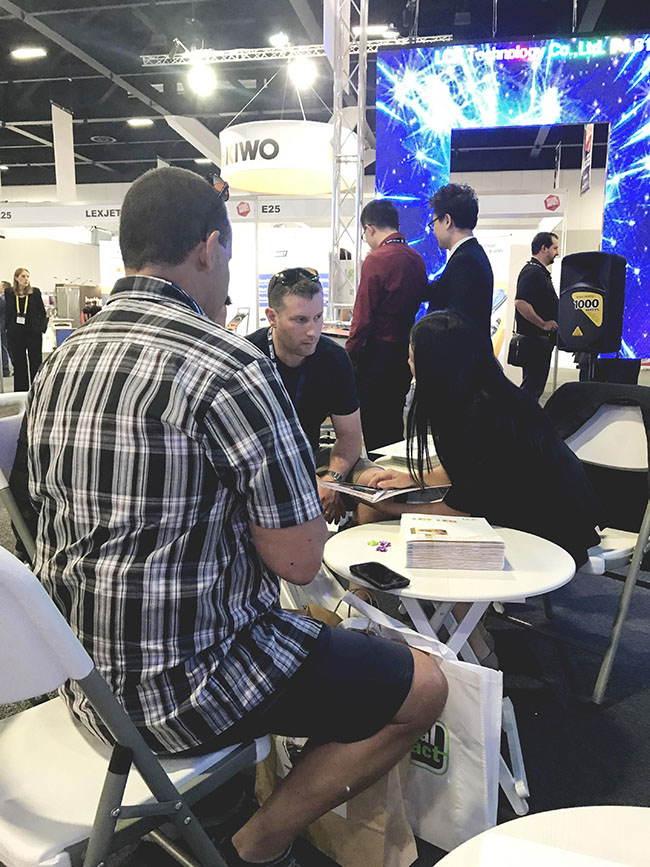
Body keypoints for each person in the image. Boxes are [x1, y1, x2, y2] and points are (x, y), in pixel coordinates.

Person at [24, 166, 447, 867]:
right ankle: (259, 842)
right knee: (423, 687)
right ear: (210, 248)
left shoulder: (61, 363)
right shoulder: (228, 366)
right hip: (188, 687)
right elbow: (300, 561)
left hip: (82, 681)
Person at [248, 268, 380, 524]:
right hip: (261, 462)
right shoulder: (249, 358)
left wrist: (332, 480)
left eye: (318, 317)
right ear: (272, 317)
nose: (313, 331)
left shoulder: (333, 358)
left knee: (378, 485)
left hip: (312, 454)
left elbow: (350, 435)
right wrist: (309, 481)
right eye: (300, 320)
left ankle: (350, 541)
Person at [346, 199, 428, 453]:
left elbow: (362, 318)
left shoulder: (376, 259)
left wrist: (348, 355)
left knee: (374, 426)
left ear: (369, 228)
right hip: (404, 353)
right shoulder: (416, 259)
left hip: (377, 357)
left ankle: (380, 475)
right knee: (393, 422)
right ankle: (396, 474)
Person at [426, 183, 493, 335]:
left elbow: (458, 325)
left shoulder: (465, 261)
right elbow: (441, 288)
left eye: (434, 223)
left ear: (447, 220)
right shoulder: (471, 254)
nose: (434, 230)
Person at [514, 231, 560, 401]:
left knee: (533, 388)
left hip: (539, 342)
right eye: (554, 248)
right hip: (535, 342)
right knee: (531, 389)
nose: (557, 253)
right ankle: (522, 417)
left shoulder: (539, 272)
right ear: (543, 248)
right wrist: (543, 324)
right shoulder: (533, 272)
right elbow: (520, 303)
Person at [5, 267, 47, 391]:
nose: (26, 279)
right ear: (16, 278)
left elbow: (42, 312)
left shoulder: (35, 292)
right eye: (23, 276)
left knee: (35, 361)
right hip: (16, 333)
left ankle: (36, 389)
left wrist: (41, 328)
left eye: (28, 276)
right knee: (19, 364)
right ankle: (20, 390)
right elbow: (8, 312)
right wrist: (7, 328)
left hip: (33, 333)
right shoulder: (9, 293)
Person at [0, 281, 11, 377]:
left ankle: (5, 369)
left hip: (3, 327)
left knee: (5, 349)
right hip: (4, 327)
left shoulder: (3, 300)